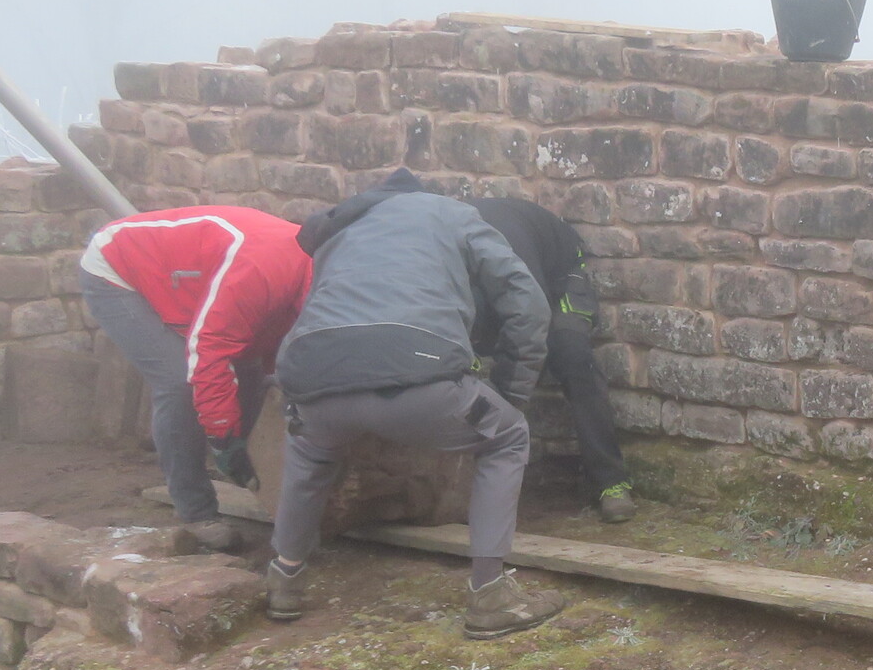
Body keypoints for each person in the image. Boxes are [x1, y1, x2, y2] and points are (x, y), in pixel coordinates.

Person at [266, 169, 563, 638]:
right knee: (506, 436)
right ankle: (490, 594)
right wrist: (512, 392)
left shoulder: (339, 232)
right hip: (420, 373)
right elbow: (526, 301)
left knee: (310, 452)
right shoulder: (452, 213)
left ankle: (284, 578)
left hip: (314, 375)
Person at [78, 203, 311, 551]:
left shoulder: (322, 281)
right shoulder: (261, 273)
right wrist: (223, 437)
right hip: (119, 269)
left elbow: (276, 353)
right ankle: (196, 512)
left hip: (193, 280)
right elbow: (210, 352)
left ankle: (243, 471)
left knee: (250, 374)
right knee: (180, 383)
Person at [471, 196, 634, 522]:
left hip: (556, 277)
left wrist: (507, 393)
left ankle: (611, 481)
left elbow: (532, 319)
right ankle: (468, 478)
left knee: (571, 354)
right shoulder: (441, 259)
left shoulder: (512, 250)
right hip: (500, 284)